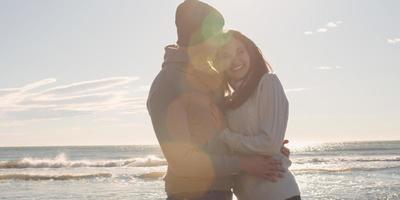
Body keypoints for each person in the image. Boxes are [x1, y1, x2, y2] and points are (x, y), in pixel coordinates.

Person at [146, 1, 288, 199]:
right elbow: (182, 162)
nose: (222, 41)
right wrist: (245, 163)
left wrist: (262, 148)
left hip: (224, 191)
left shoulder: (213, 79)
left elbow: (221, 135)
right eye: (216, 34)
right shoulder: (166, 84)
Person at [213, 30, 301, 200]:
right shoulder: (227, 101)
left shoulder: (268, 83)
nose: (236, 60)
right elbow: (223, 152)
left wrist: (225, 134)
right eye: (227, 55)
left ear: (251, 53)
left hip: (278, 193)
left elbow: (269, 145)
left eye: (240, 51)